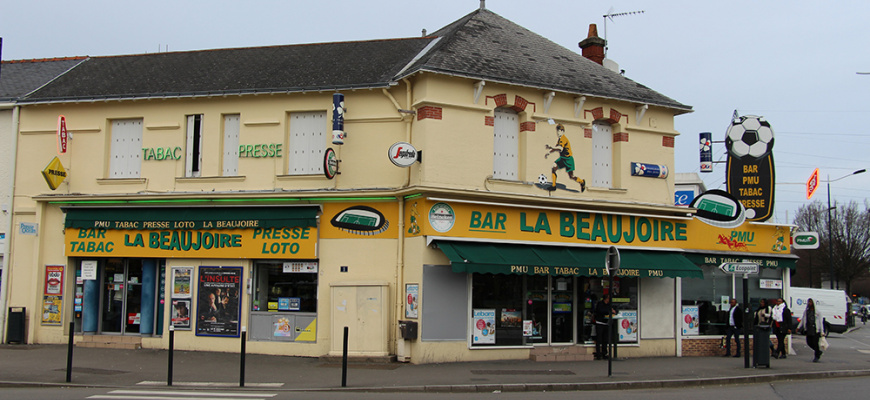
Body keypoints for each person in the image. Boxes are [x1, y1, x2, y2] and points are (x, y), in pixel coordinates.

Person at [544, 124, 586, 192]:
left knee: (571, 176)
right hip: (563, 158)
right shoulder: (560, 139)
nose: (557, 132)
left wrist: (551, 147)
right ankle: (553, 186)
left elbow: (560, 148)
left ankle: (581, 182)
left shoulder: (564, 139)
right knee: (554, 167)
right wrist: (549, 152)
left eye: (559, 131)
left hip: (568, 159)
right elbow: (556, 147)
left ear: (563, 131)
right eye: (557, 131)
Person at [796, 298, 825, 362]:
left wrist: (822, 331)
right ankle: (818, 352)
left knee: (815, 343)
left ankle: (816, 356)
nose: (809, 303)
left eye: (811, 302)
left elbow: (820, 322)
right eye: (809, 302)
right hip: (809, 329)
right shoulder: (806, 311)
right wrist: (798, 327)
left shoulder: (818, 312)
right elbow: (803, 319)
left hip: (815, 329)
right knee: (809, 342)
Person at [593, 296, 616, 360]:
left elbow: (615, 309)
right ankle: (598, 354)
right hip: (599, 323)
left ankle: (604, 353)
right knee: (599, 338)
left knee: (605, 339)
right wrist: (609, 311)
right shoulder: (600, 304)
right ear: (606, 299)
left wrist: (614, 311)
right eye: (609, 298)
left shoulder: (609, 305)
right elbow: (600, 311)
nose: (609, 300)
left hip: (606, 323)